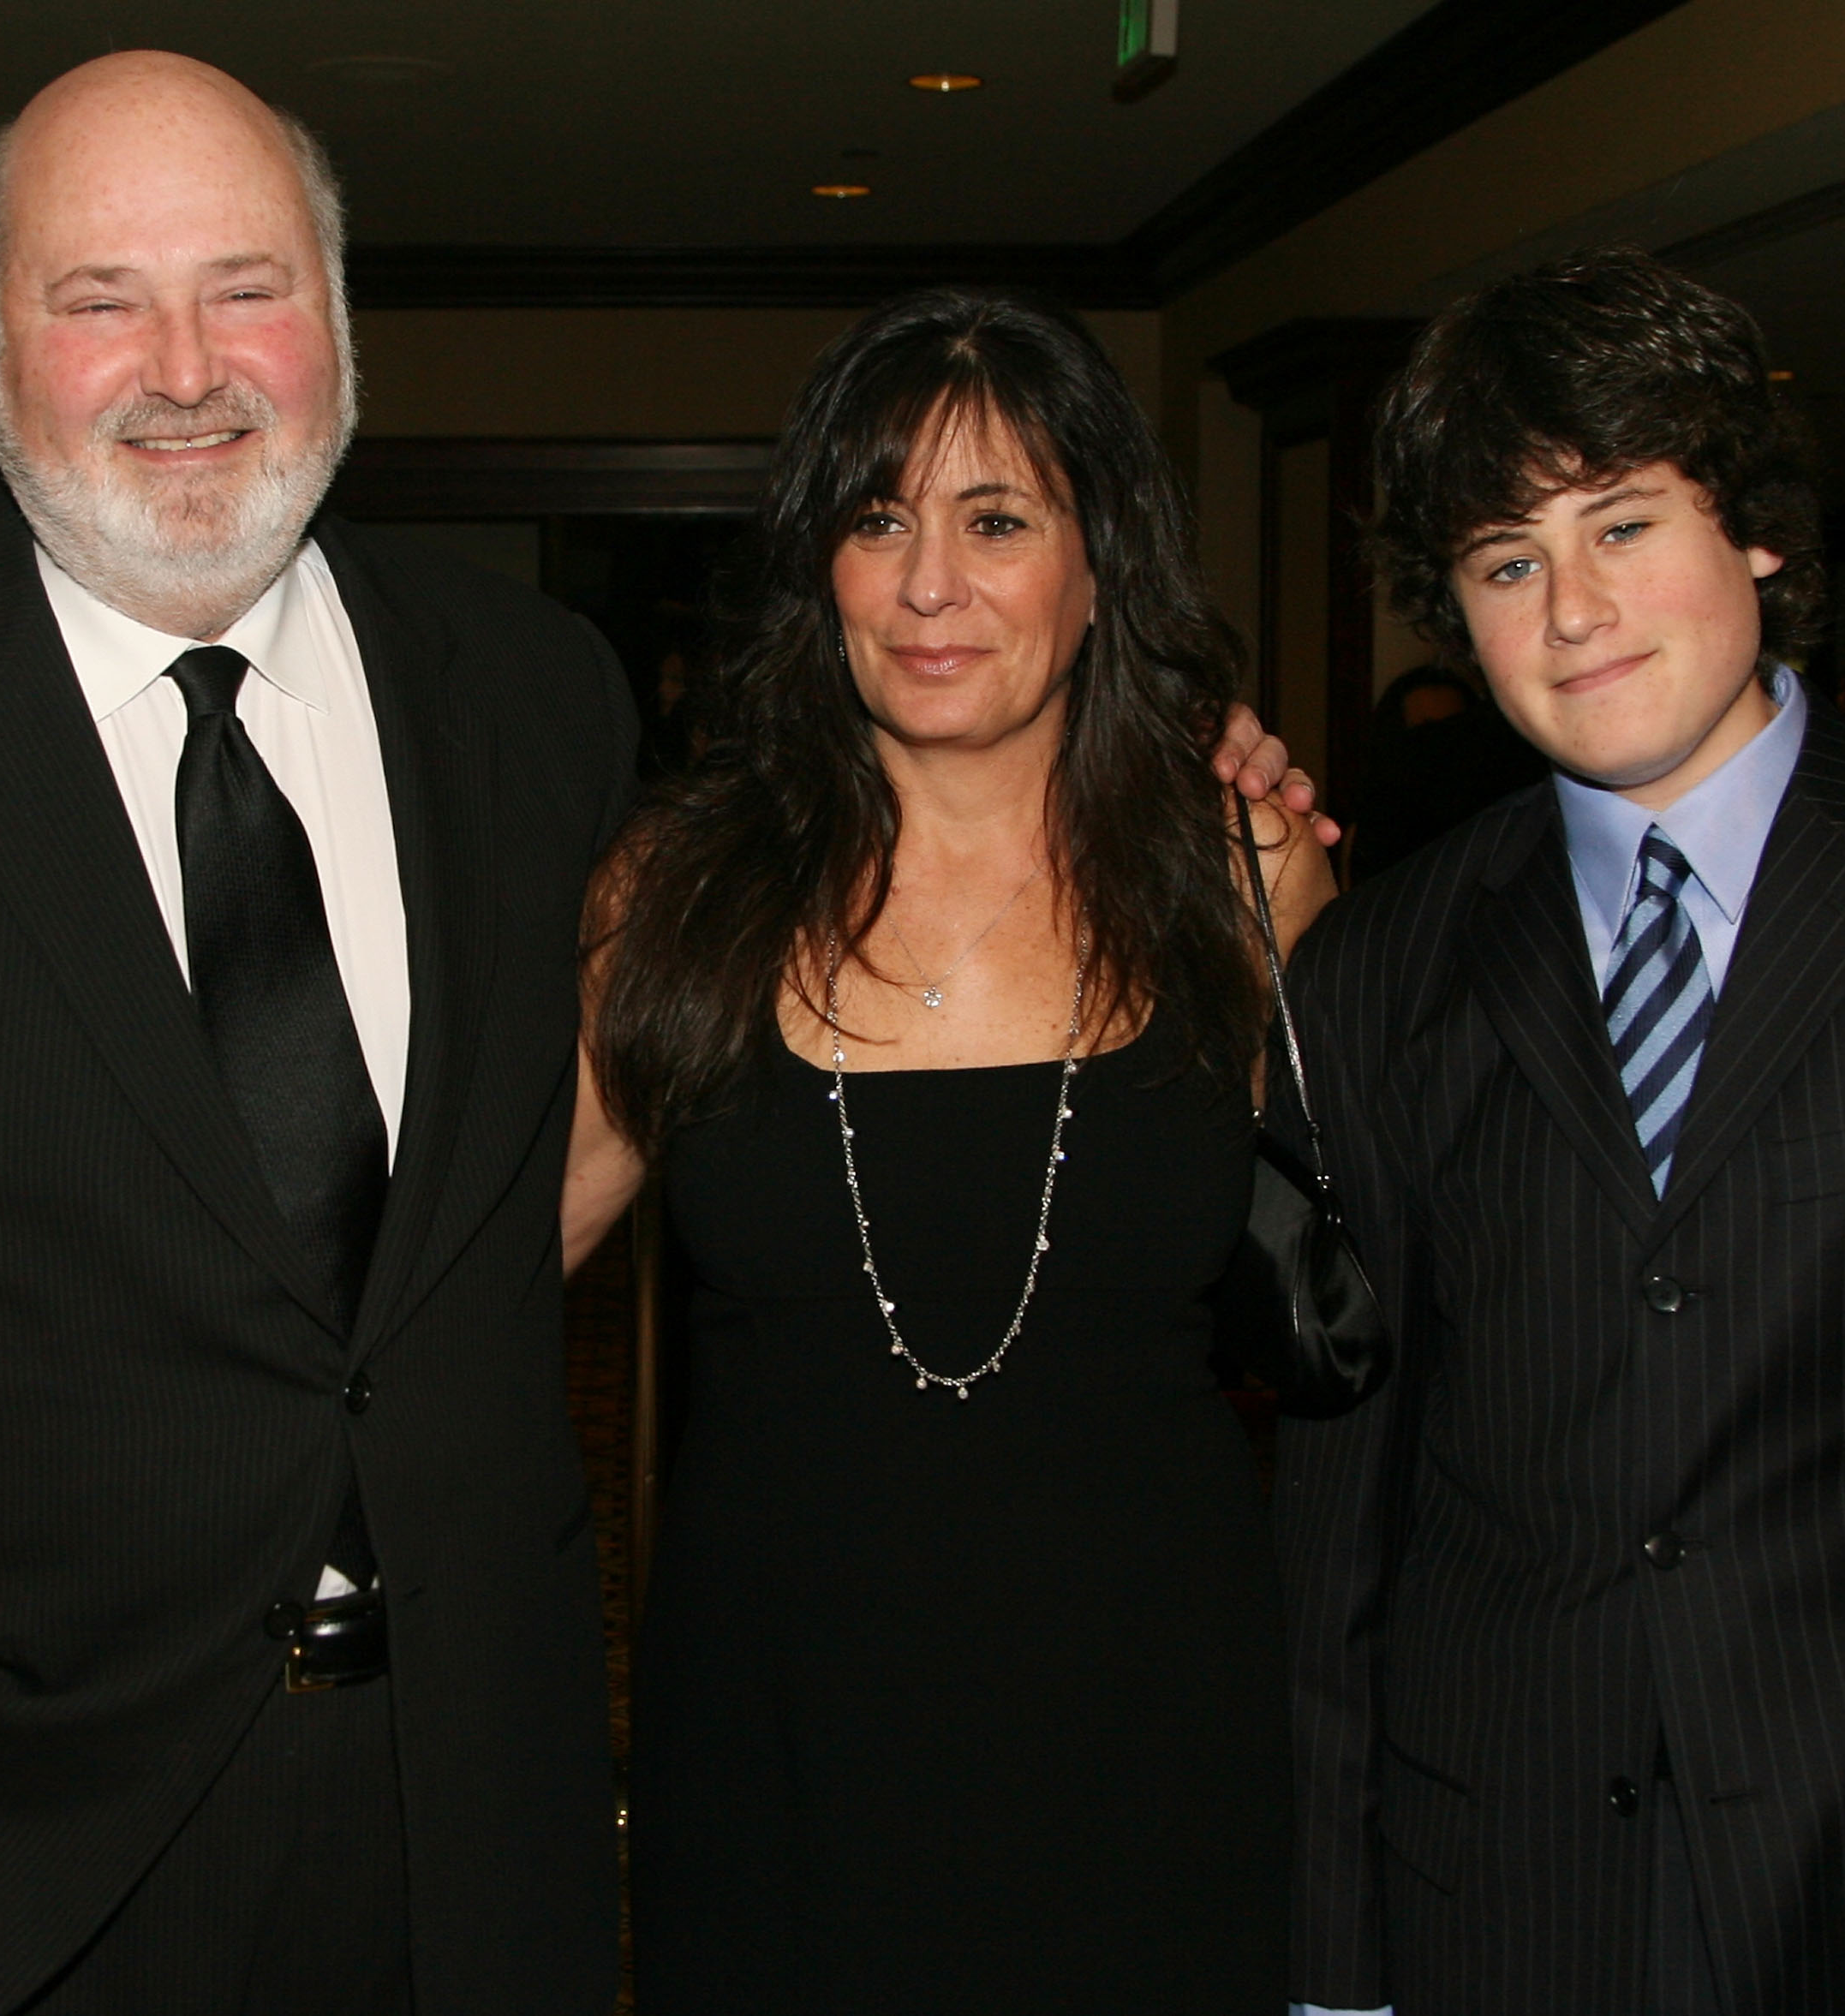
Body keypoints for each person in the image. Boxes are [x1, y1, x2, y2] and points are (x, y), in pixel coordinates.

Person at [0, 52, 646, 2016]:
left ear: (334, 311)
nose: (186, 366)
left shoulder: (537, 697)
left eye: (245, 284)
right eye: (104, 299)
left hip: (477, 1857)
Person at [1281, 245, 1845, 2014]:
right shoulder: (1382, 961)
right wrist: (1335, 1964)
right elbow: (1343, 1521)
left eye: (1623, 523)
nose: (1571, 609)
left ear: (1757, 529)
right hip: (1502, 1907)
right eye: (1504, 560)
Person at [562, 288, 1330, 2014]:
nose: (929, 584)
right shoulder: (677, 895)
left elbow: (1376, 1293)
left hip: (1155, 1748)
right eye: (877, 519)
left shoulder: (1246, 877)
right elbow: (471, 1284)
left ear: (1101, 558)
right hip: (780, 1752)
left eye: (997, 521)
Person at [1345, 665, 1545, 884]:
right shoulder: (1377, 832)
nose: (1444, 752)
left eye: (1456, 732)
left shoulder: (1504, 832)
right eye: (1429, 736)